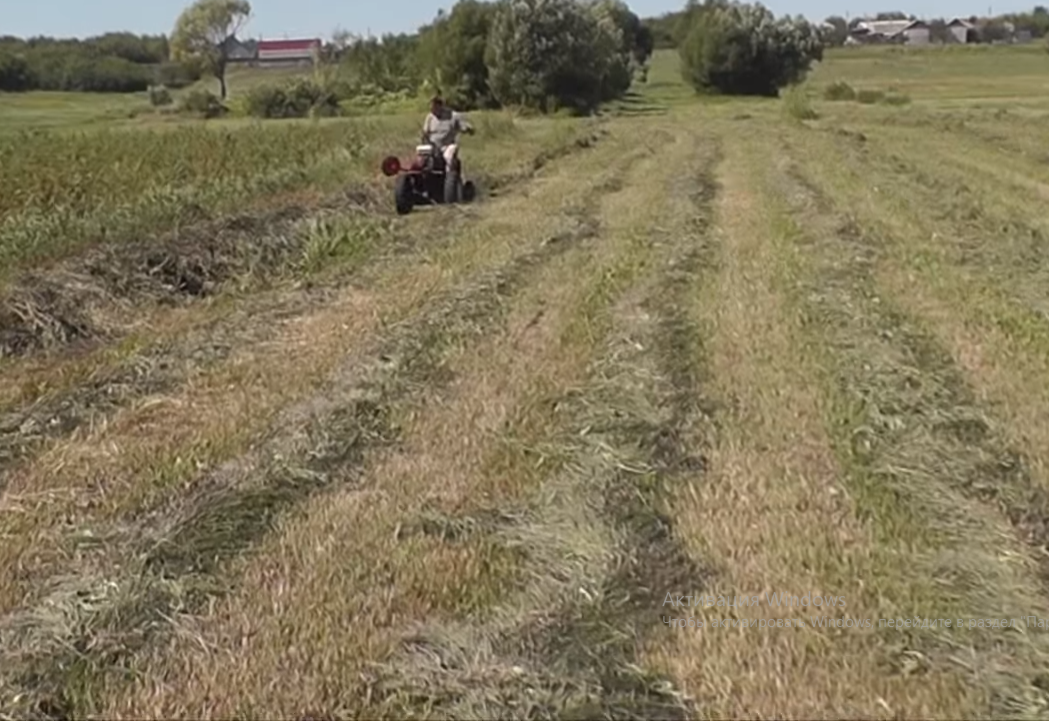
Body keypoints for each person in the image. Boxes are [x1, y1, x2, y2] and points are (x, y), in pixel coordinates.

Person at [421, 95, 474, 171]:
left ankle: (450, 177)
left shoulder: (453, 116)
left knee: (449, 158)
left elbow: (463, 125)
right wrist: (426, 141)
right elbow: (425, 132)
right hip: (433, 147)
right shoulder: (430, 117)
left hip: (447, 146)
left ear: (440, 106)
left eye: (434, 108)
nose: (432, 111)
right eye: (431, 109)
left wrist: (468, 128)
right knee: (421, 160)